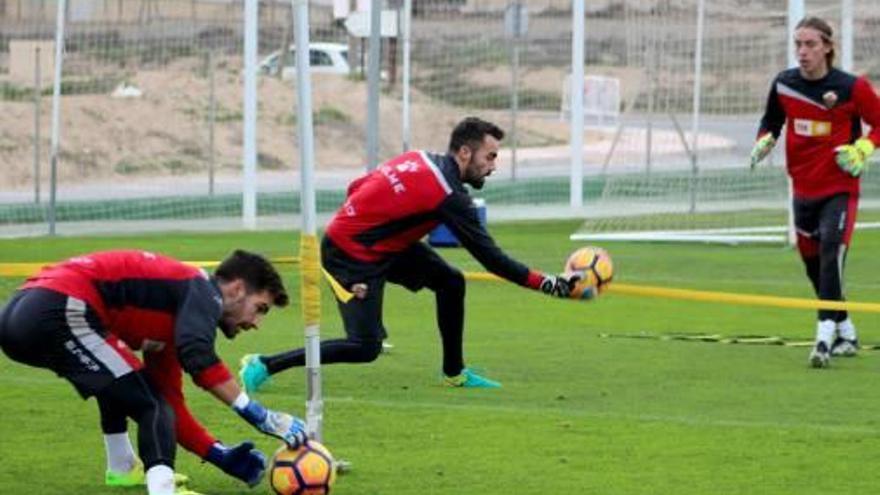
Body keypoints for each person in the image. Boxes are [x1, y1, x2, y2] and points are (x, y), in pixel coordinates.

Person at [239, 117, 581, 393]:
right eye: (489, 157)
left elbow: (357, 186)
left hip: (382, 246)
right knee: (365, 347)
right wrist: (550, 284)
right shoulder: (449, 195)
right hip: (349, 255)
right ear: (465, 153)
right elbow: (491, 259)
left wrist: (371, 221)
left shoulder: (418, 157)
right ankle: (264, 364)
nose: (493, 166)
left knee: (450, 282)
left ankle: (454, 373)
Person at [0, 249, 308, 495]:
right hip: (59, 308)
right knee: (149, 402)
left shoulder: (177, 313)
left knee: (130, 389)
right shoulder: (202, 291)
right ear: (237, 289)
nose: (256, 323)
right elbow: (198, 358)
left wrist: (218, 455)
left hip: (23, 310)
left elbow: (172, 403)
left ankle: (122, 468)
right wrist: (259, 414)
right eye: (260, 308)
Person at [750, 16, 880, 368]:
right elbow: (771, 121)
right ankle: (847, 331)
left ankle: (823, 339)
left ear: (827, 47)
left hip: (839, 188)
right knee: (815, 268)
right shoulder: (784, 84)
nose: (802, 52)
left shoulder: (852, 88)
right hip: (802, 188)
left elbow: (879, 123)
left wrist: (864, 149)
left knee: (829, 255)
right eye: (798, 45)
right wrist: (765, 140)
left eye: (809, 44)